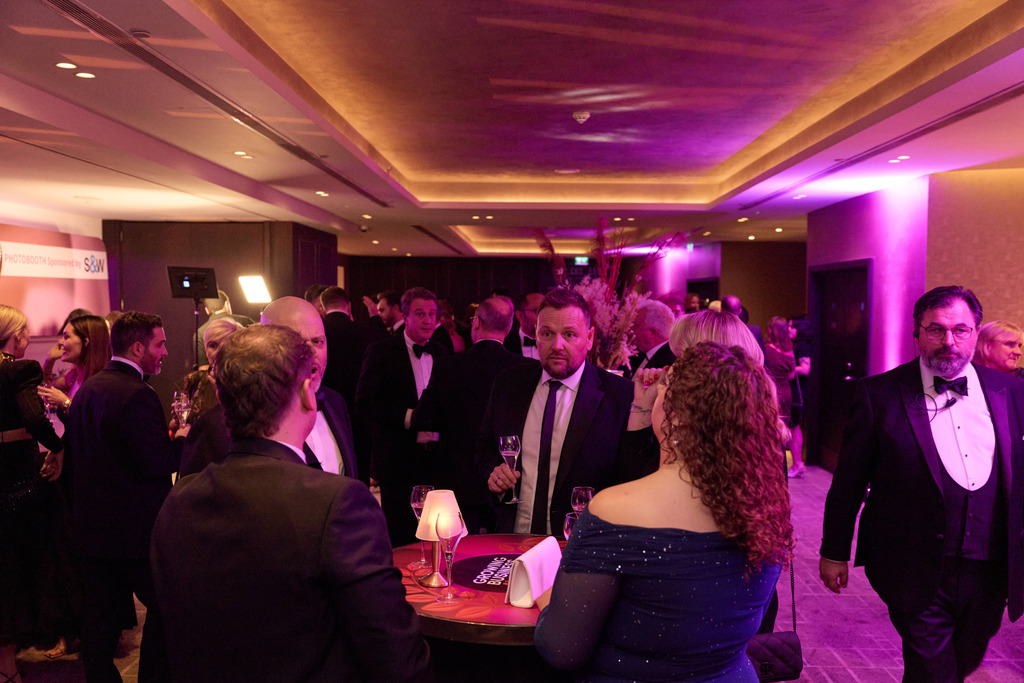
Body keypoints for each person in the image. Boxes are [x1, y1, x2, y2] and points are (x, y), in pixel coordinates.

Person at [151, 324, 431, 682]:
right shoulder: (338, 503)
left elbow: (166, 639)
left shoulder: (179, 500)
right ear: (305, 394)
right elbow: (395, 656)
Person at [534, 342, 791, 680]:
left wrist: (547, 602)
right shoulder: (763, 506)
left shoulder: (613, 510)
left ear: (676, 414)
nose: (656, 394)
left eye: (663, 388)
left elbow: (562, 649)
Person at [820, 286, 1024, 681]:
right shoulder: (879, 394)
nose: (949, 341)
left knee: (962, 661)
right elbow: (848, 481)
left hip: (990, 567)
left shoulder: (1012, 393)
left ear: (975, 333)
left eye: (960, 330)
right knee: (934, 670)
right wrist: (834, 550)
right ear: (917, 334)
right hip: (911, 563)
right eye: (936, 329)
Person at [68, 311, 189, 683]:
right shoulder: (139, 394)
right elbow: (155, 463)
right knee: (168, 608)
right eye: (160, 344)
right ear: (138, 348)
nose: (165, 352)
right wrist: (182, 440)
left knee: (98, 626)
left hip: (93, 530)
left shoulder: (87, 389)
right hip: (135, 533)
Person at [482, 288, 635, 535]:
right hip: (512, 538)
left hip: (582, 543)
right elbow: (485, 447)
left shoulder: (619, 395)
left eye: (569, 334)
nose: (557, 345)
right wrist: (494, 473)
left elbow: (629, 477)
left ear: (589, 338)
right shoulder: (508, 384)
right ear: (536, 335)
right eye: (547, 334)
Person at [412, 297, 535, 533]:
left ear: (476, 322)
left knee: (457, 547)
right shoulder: (525, 369)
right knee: (500, 549)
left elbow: (423, 418)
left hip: (457, 479)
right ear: (510, 327)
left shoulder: (449, 366)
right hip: (505, 480)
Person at [0, 306, 68, 683]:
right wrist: (58, 447)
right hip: (16, 475)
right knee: (23, 563)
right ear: (19, 335)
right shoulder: (20, 369)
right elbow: (34, 418)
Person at [356, 287, 448, 545]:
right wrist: (407, 416)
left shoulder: (442, 351)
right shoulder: (381, 351)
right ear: (405, 316)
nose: (428, 320)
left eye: (431, 314)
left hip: (437, 460)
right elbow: (364, 403)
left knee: (437, 532)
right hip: (398, 460)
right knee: (401, 536)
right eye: (420, 314)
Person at [192, 290, 254, 367]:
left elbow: (203, 367)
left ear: (206, 310)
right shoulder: (246, 321)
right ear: (227, 304)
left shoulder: (200, 333)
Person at [624, 298, 676, 378]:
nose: (630, 329)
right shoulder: (640, 354)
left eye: (635, 325)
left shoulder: (668, 364)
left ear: (652, 333)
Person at [788, 315, 812, 478]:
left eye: (791, 326)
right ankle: (798, 463)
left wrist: (787, 366)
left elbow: (806, 368)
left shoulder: (802, 346)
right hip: (797, 390)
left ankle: (798, 463)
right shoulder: (797, 344)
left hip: (799, 391)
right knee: (794, 426)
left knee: (794, 427)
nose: (788, 329)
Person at [504, 292, 543, 360]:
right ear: (520, 315)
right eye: (537, 311)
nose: (545, 316)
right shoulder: (505, 345)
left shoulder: (557, 344)